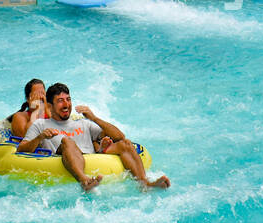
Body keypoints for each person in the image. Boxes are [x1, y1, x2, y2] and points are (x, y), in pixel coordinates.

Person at [17, 82, 170, 192]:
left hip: (92, 157)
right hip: (65, 158)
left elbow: (119, 136)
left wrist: (94, 118)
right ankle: (85, 181)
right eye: (60, 101)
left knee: (127, 144)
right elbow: (21, 149)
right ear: (49, 106)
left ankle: (144, 184)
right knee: (67, 141)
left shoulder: (83, 123)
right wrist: (40, 138)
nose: (66, 104)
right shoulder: (40, 125)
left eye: (68, 99)